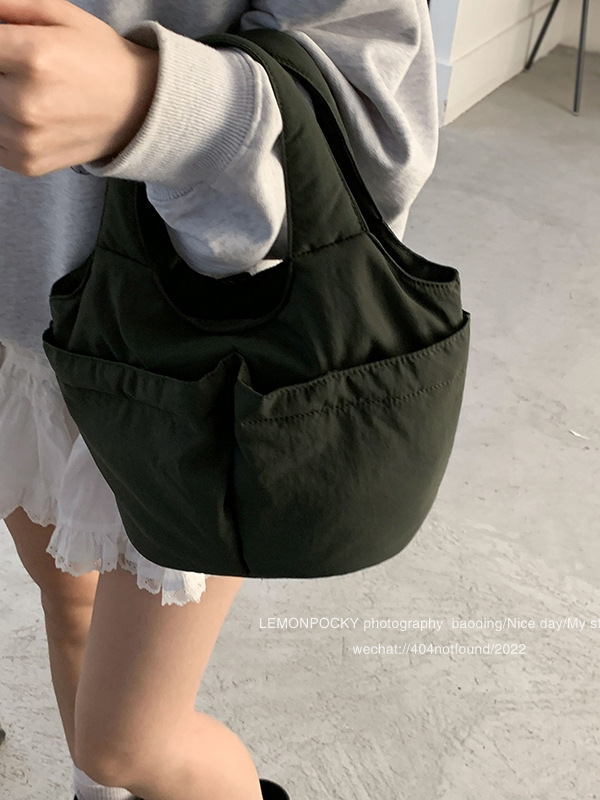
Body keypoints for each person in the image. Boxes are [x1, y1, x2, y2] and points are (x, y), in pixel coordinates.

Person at [0, 1, 440, 798]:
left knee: (131, 744)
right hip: (17, 325)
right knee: (67, 605)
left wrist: (153, 105)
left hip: (194, 349)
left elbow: (378, 128)